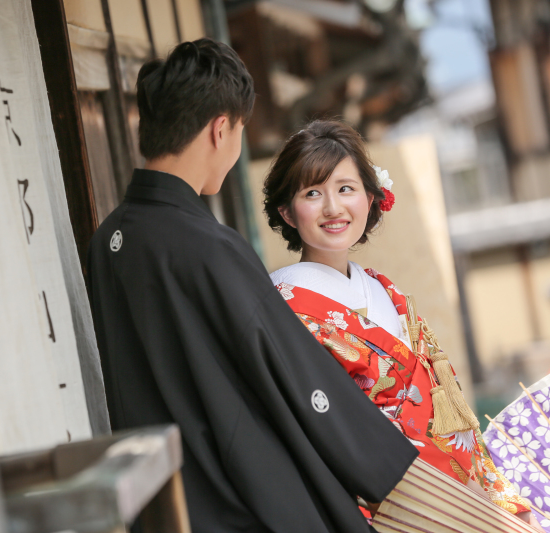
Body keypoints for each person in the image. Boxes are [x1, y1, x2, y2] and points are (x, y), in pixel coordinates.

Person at [88, 39, 417, 533]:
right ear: (222, 129)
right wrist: (387, 466)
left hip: (157, 502)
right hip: (234, 502)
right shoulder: (208, 247)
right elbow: (300, 385)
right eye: (241, 130)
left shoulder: (107, 240)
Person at [263, 119, 537, 525]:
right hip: (381, 502)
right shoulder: (281, 304)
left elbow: (444, 402)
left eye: (346, 189)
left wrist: (490, 497)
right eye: (312, 193)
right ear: (287, 210)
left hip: (458, 492)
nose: (333, 208)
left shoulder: (384, 289)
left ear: (371, 198)